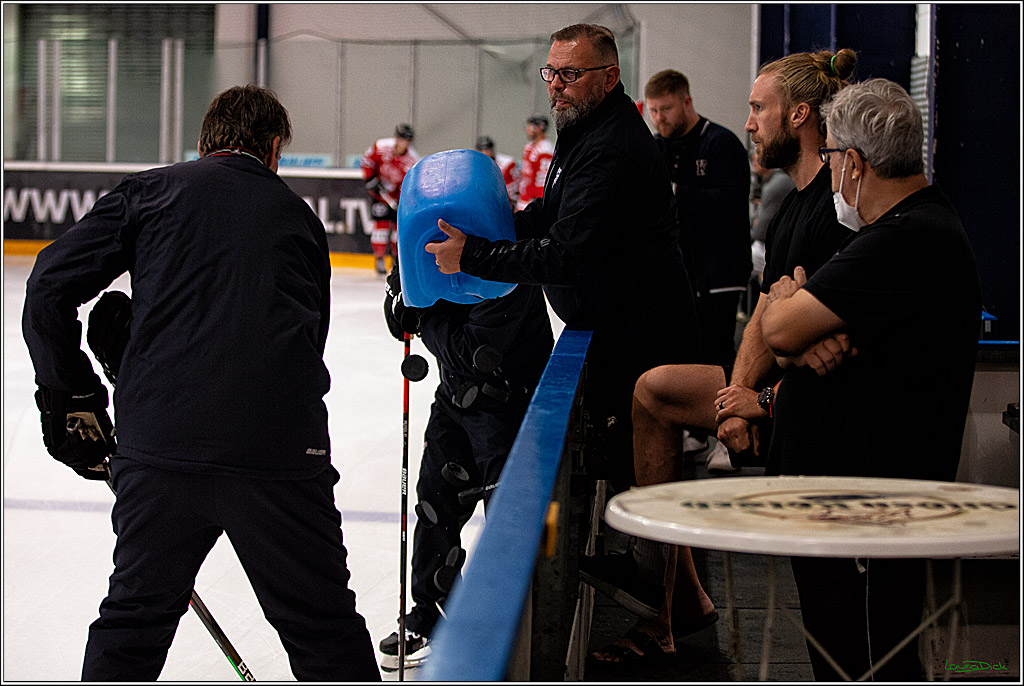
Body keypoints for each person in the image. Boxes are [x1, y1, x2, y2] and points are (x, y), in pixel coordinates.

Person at [21, 85, 381, 681]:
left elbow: (49, 287)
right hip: (281, 454)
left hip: (163, 446)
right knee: (323, 627)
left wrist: (73, 397)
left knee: (133, 622)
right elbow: (302, 344)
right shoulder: (299, 218)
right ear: (272, 151)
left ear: (203, 142)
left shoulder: (150, 193)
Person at [581, 49, 861, 665]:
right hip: (765, 394)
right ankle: (676, 597)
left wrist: (757, 396)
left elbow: (814, 337)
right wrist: (734, 400)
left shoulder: (834, 213)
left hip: (807, 409)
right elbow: (769, 316)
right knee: (653, 390)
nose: (751, 122)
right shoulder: (792, 204)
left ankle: (674, 605)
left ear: (801, 115)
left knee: (837, 621)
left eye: (760, 109)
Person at [760, 78, 980, 682]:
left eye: (830, 156)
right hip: (856, 505)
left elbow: (778, 329)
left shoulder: (904, 239)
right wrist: (796, 328)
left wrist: (791, 307)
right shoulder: (901, 233)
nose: (829, 173)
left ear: (853, 162)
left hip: (870, 508)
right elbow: (788, 339)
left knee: (864, 660)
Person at [426, 23, 701, 487]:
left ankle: (660, 560)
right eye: (550, 72)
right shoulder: (585, 127)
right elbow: (550, 213)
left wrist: (473, 255)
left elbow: (566, 257)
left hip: (639, 346)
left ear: (610, 77)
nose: (556, 85)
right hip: (614, 335)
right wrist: (491, 229)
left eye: (570, 74)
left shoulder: (611, 146)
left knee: (632, 486)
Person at [377, 265, 553, 669]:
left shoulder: (503, 260)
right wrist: (401, 299)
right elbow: (402, 321)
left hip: (510, 406)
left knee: (508, 521)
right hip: (455, 397)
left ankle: (513, 627)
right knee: (434, 504)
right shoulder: (422, 243)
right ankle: (430, 616)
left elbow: (474, 352)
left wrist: (423, 316)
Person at [645, 69, 752, 370]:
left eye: (666, 109)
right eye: (653, 110)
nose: (659, 118)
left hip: (719, 271)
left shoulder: (720, 143)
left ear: (687, 102)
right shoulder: (657, 147)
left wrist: (675, 190)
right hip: (678, 272)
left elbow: (729, 203)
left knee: (714, 355)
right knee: (678, 355)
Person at [361, 123, 420, 273]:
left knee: (397, 231)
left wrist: (402, 200)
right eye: (401, 139)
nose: (403, 143)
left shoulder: (413, 160)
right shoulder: (381, 146)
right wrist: (371, 180)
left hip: (398, 198)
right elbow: (367, 161)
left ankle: (396, 260)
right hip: (379, 195)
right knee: (380, 228)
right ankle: (379, 258)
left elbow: (412, 183)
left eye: (406, 140)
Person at [515, 114, 554, 211]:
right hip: (524, 197)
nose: (527, 129)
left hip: (533, 201)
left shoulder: (545, 149)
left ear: (539, 128)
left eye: (530, 126)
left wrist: (538, 201)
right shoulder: (528, 147)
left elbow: (544, 180)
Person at [475, 135, 521, 208]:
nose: (484, 153)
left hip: (503, 204)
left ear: (492, 150)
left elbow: (513, 191)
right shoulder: (473, 164)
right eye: (481, 150)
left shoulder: (507, 163)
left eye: (487, 150)